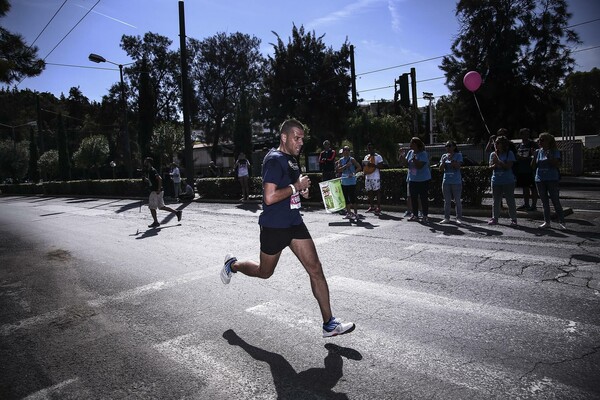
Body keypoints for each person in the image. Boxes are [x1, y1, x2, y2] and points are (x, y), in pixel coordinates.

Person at [220, 118, 355, 338]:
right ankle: (232, 265)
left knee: (316, 269)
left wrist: (302, 191)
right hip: (274, 227)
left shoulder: (292, 160)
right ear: (284, 137)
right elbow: (270, 197)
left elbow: (292, 190)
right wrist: (296, 186)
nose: (301, 141)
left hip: (294, 223)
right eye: (297, 137)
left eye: (302, 137)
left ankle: (328, 323)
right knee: (265, 272)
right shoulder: (273, 159)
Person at [532, 133, 566, 230]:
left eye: (542, 140)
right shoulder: (538, 151)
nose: (540, 142)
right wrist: (534, 156)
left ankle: (562, 221)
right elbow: (533, 166)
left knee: (555, 200)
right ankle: (547, 222)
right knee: (544, 202)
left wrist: (550, 157)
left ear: (548, 141)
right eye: (539, 140)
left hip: (552, 179)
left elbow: (557, 165)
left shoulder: (554, 151)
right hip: (540, 179)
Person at [143, 157, 182, 228]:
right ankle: (177, 212)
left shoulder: (152, 170)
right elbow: (153, 181)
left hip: (155, 191)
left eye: (145, 162)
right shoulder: (150, 171)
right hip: (157, 191)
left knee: (152, 207)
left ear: (148, 163)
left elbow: (160, 179)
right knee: (161, 206)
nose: (144, 163)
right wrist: (147, 180)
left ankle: (156, 222)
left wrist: (158, 189)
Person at [488, 135, 517, 226]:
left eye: (498, 143)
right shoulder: (493, 154)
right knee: (496, 200)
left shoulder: (509, 153)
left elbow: (508, 167)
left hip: (508, 181)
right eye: (495, 143)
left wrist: (499, 162)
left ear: (503, 144)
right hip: (496, 180)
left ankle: (513, 219)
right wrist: (494, 165)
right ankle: (495, 218)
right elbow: (490, 167)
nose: (496, 144)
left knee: (510, 200)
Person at [404, 137, 431, 222]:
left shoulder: (423, 154)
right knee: (413, 198)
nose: (410, 145)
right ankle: (414, 215)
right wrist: (401, 156)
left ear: (416, 144)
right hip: (412, 179)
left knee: (423, 198)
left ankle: (425, 215)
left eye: (411, 143)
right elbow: (406, 164)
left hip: (423, 180)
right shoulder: (410, 152)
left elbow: (419, 166)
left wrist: (415, 160)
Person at [439, 140, 463, 224]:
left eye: (449, 146)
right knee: (447, 201)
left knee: (457, 200)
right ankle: (446, 218)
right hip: (446, 181)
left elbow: (457, 167)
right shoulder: (444, 156)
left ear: (454, 147)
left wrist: (452, 160)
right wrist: (443, 161)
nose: (447, 148)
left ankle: (458, 218)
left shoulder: (458, 155)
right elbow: (440, 169)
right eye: (446, 146)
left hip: (456, 181)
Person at [515, 128, 538, 211]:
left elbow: (535, 155)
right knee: (525, 187)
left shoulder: (533, 144)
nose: (526, 136)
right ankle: (526, 204)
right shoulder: (519, 146)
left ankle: (534, 205)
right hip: (522, 169)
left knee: (533, 188)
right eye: (524, 134)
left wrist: (525, 158)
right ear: (520, 135)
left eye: (527, 134)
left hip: (531, 169)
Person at [336, 146, 362, 220]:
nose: (346, 152)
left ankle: (356, 213)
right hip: (344, 181)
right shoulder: (340, 160)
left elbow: (359, 167)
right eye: (345, 150)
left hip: (351, 181)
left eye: (347, 150)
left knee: (353, 197)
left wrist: (353, 173)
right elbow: (338, 170)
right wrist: (345, 166)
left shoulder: (352, 159)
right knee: (346, 198)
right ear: (343, 151)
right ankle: (349, 213)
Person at [362, 143, 384, 215]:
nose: (370, 149)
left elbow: (381, 166)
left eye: (371, 148)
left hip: (375, 176)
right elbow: (365, 166)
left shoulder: (378, 157)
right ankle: (372, 206)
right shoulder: (366, 156)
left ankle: (379, 207)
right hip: (368, 176)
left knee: (377, 192)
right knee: (369, 192)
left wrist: (374, 165)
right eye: (369, 148)